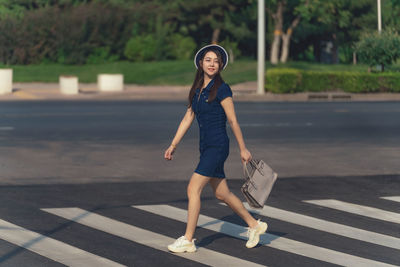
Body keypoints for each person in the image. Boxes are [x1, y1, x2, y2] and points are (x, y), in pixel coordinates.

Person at [164, 44, 267, 253]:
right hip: (206, 147)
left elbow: (233, 120)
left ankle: (188, 240)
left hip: (218, 146)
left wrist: (243, 148)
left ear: (221, 65)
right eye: (208, 60)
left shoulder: (222, 89)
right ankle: (255, 225)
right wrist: (173, 144)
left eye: (216, 61)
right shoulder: (197, 90)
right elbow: (188, 118)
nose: (212, 64)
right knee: (222, 194)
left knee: (193, 189)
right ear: (200, 63)